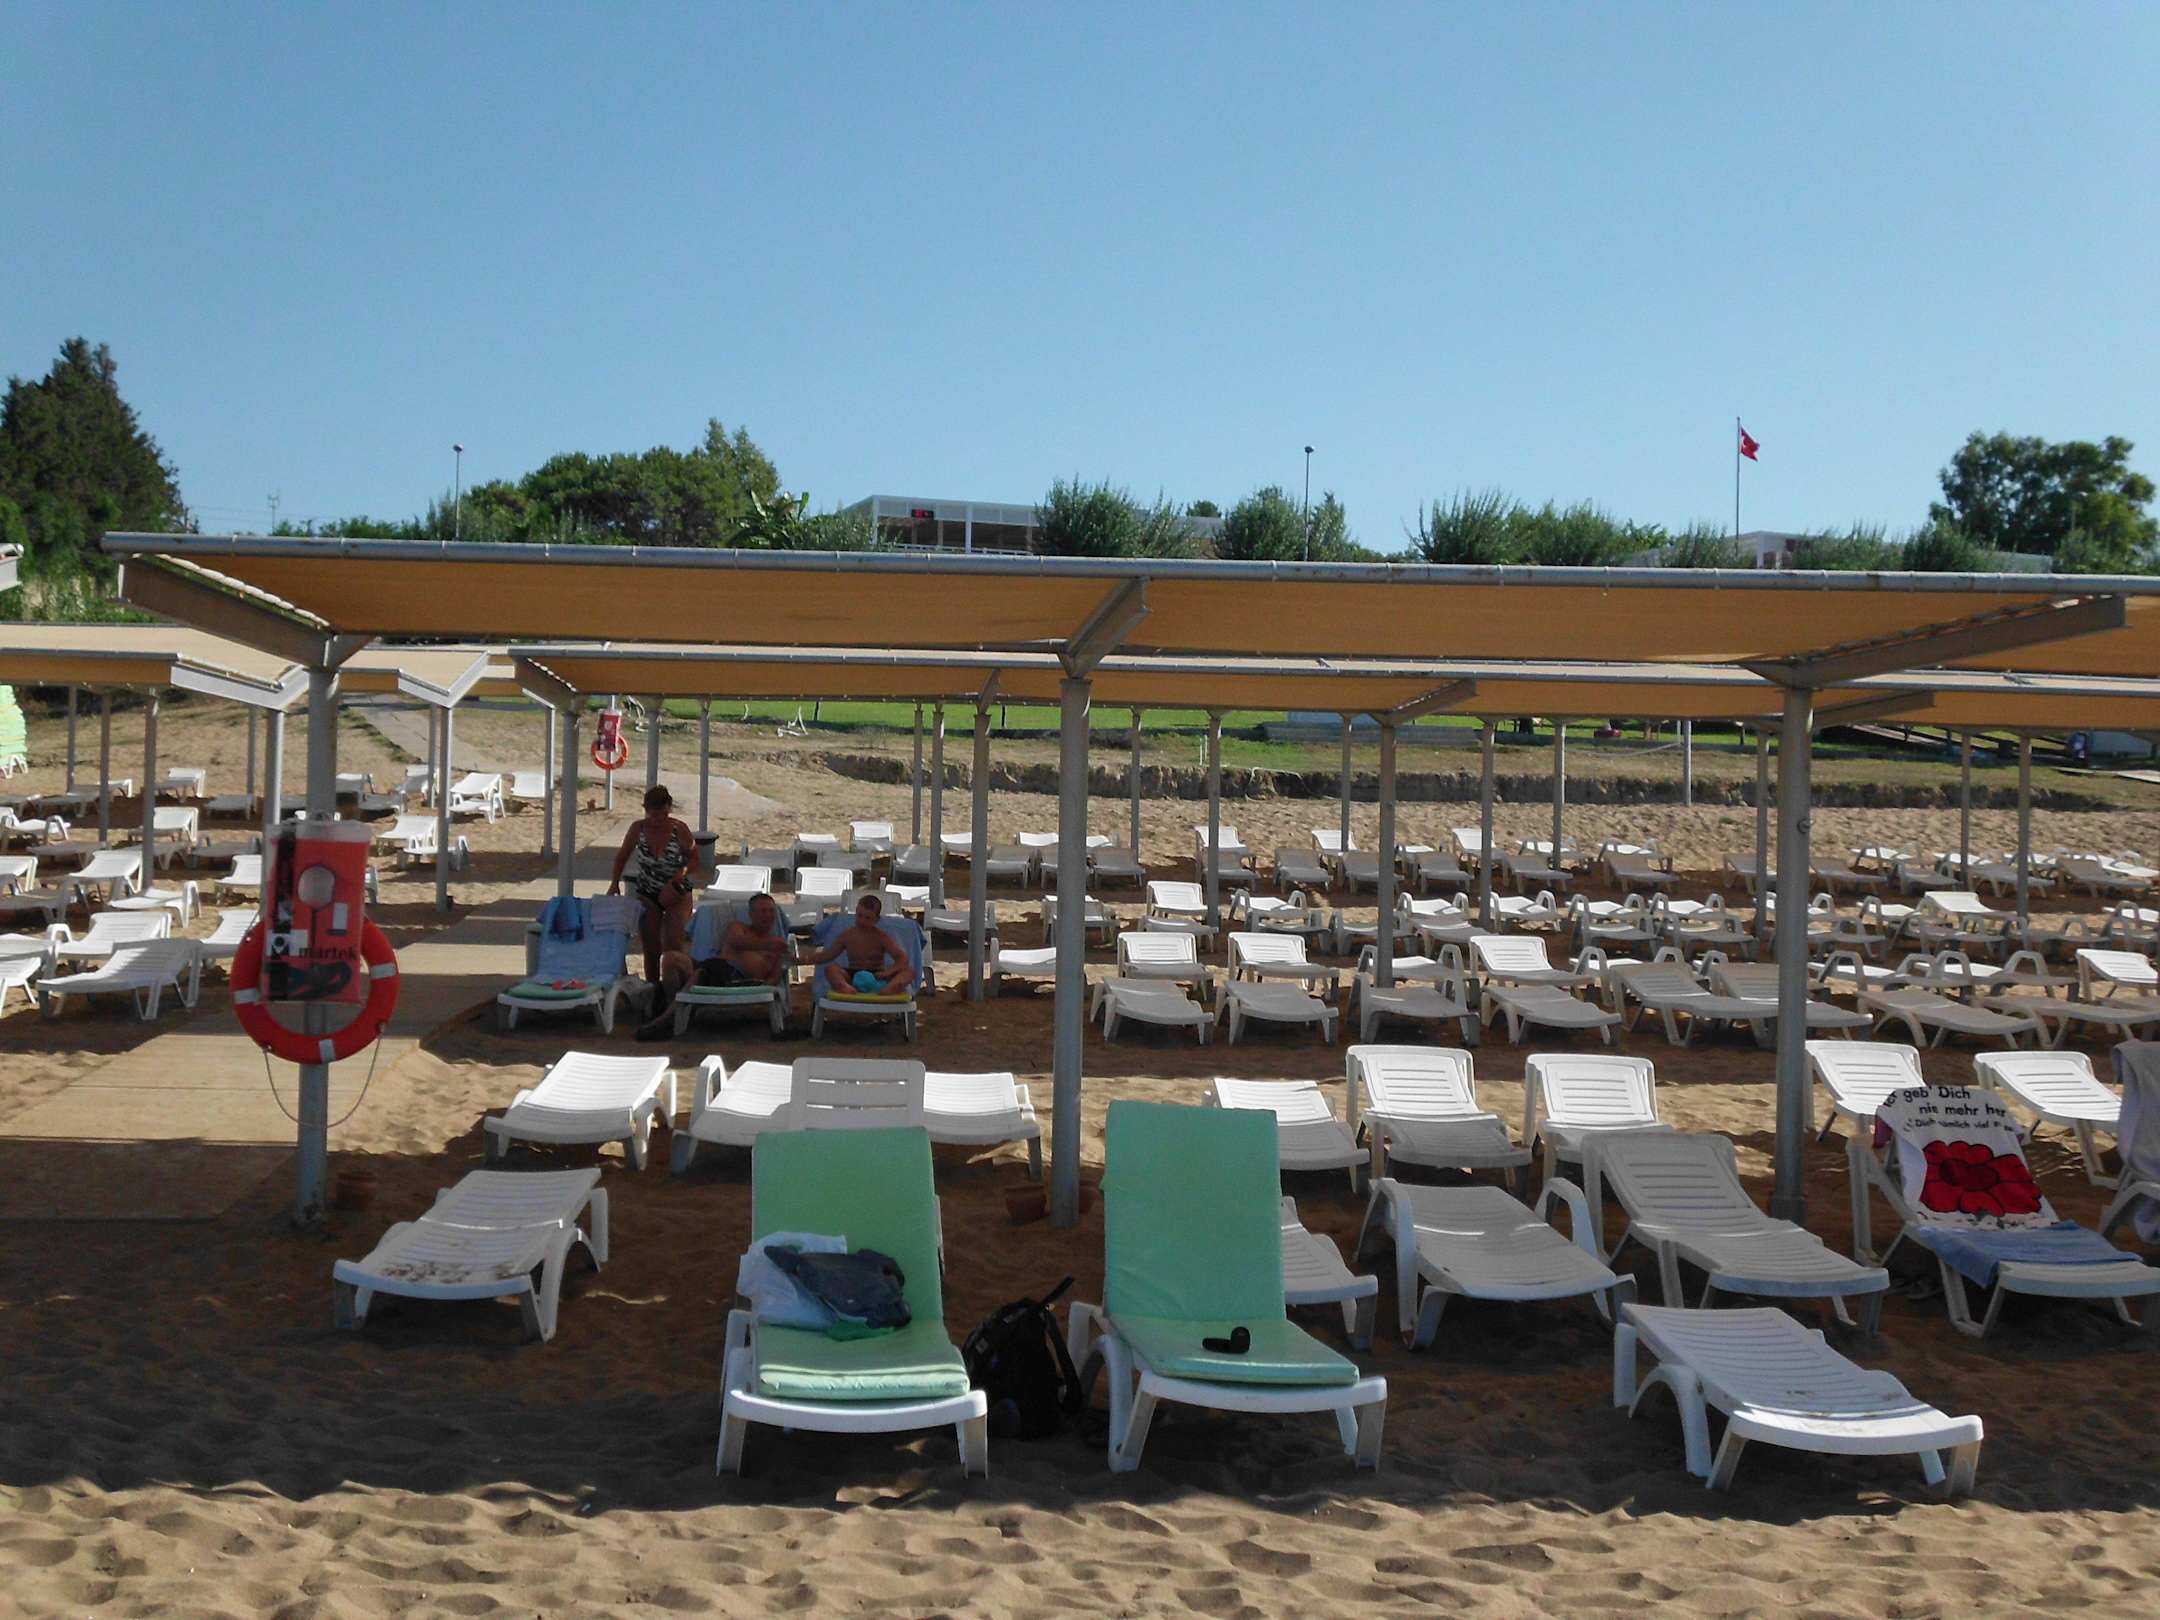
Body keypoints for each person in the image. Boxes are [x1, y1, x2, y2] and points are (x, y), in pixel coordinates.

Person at [635, 891, 788, 1041]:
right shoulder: (739, 928)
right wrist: (771, 945)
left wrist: (762, 987)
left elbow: (774, 979)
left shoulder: (779, 949)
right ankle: (674, 1009)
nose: (768, 916)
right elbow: (737, 942)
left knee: (702, 972)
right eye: (763, 911)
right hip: (715, 969)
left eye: (771, 911)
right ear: (751, 914)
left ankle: (665, 1020)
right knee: (671, 958)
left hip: (738, 982)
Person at [607, 784, 698, 984]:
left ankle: (676, 986)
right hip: (648, 891)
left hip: (677, 891)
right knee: (651, 947)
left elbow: (694, 858)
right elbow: (622, 857)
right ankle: (653, 988)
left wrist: (681, 873)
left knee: (674, 944)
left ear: (669, 809)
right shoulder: (638, 828)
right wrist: (614, 883)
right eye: (653, 815)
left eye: (662, 814)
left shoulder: (679, 829)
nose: (658, 820)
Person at [807, 894, 916, 995]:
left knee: (909, 971)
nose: (862, 921)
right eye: (859, 915)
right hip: (852, 976)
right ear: (855, 913)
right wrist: (804, 960)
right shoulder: (848, 936)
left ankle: (889, 989)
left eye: (868, 918)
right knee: (831, 969)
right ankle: (845, 987)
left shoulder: (881, 937)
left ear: (876, 920)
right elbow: (828, 955)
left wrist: (888, 972)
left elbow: (902, 958)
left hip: (877, 976)